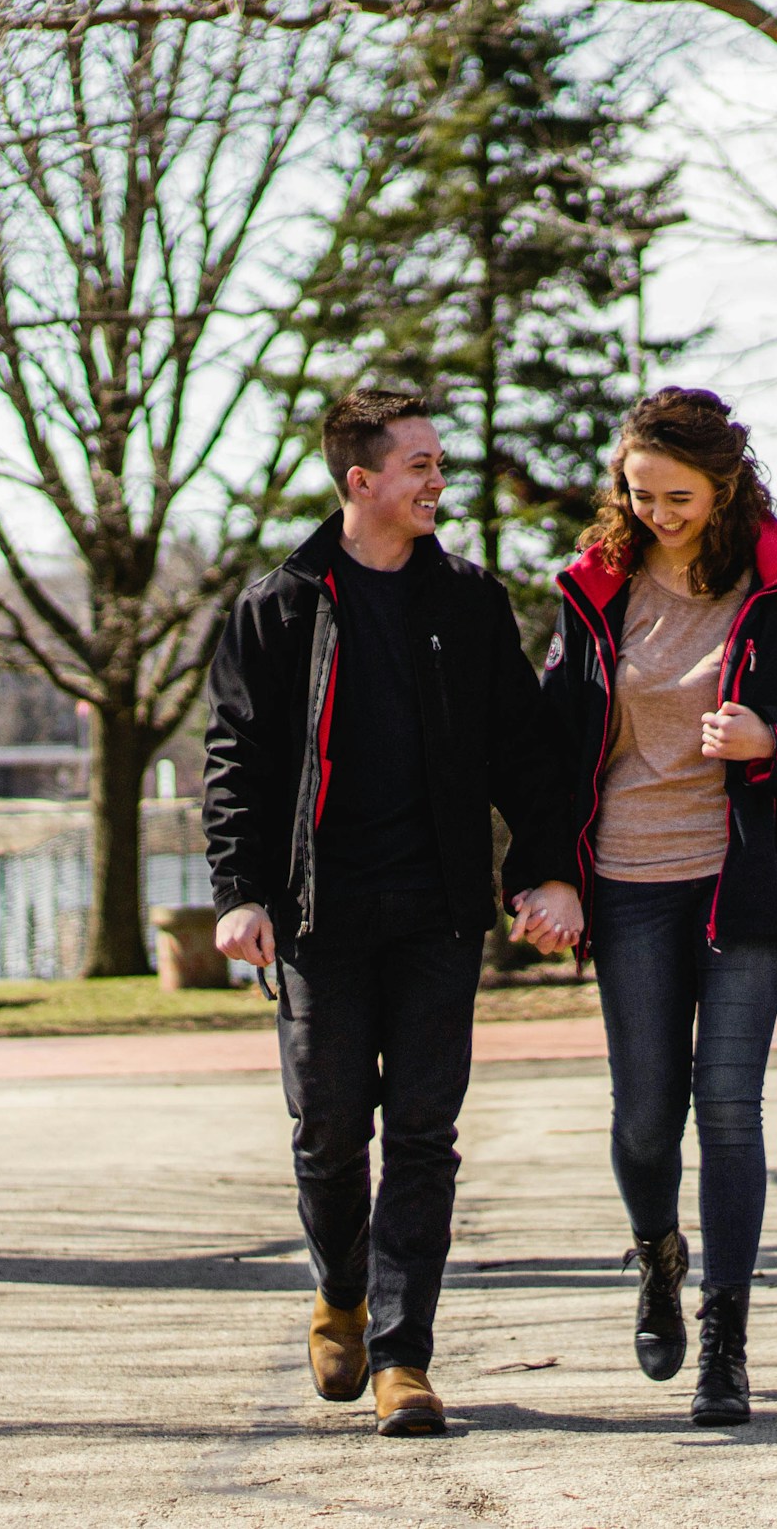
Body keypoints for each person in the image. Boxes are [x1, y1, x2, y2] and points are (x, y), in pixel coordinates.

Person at [203, 389, 583, 1438]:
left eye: (438, 462)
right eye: (416, 463)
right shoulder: (280, 606)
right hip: (321, 918)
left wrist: (548, 871)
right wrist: (238, 893)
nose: (436, 479)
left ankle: (403, 1359)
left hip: (438, 914)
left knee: (422, 1131)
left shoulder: (465, 602)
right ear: (358, 480)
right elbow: (236, 762)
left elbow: (523, 749)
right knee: (329, 1130)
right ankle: (340, 1295)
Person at [537, 387, 777, 1427]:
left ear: (725, 483)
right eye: (637, 493)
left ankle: (725, 1340)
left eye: (676, 495)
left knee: (728, 1108)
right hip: (631, 882)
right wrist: (546, 871)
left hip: (745, 878)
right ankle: (656, 1259)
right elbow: (552, 747)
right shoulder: (597, 587)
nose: (655, 513)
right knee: (647, 1121)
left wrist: (775, 744)